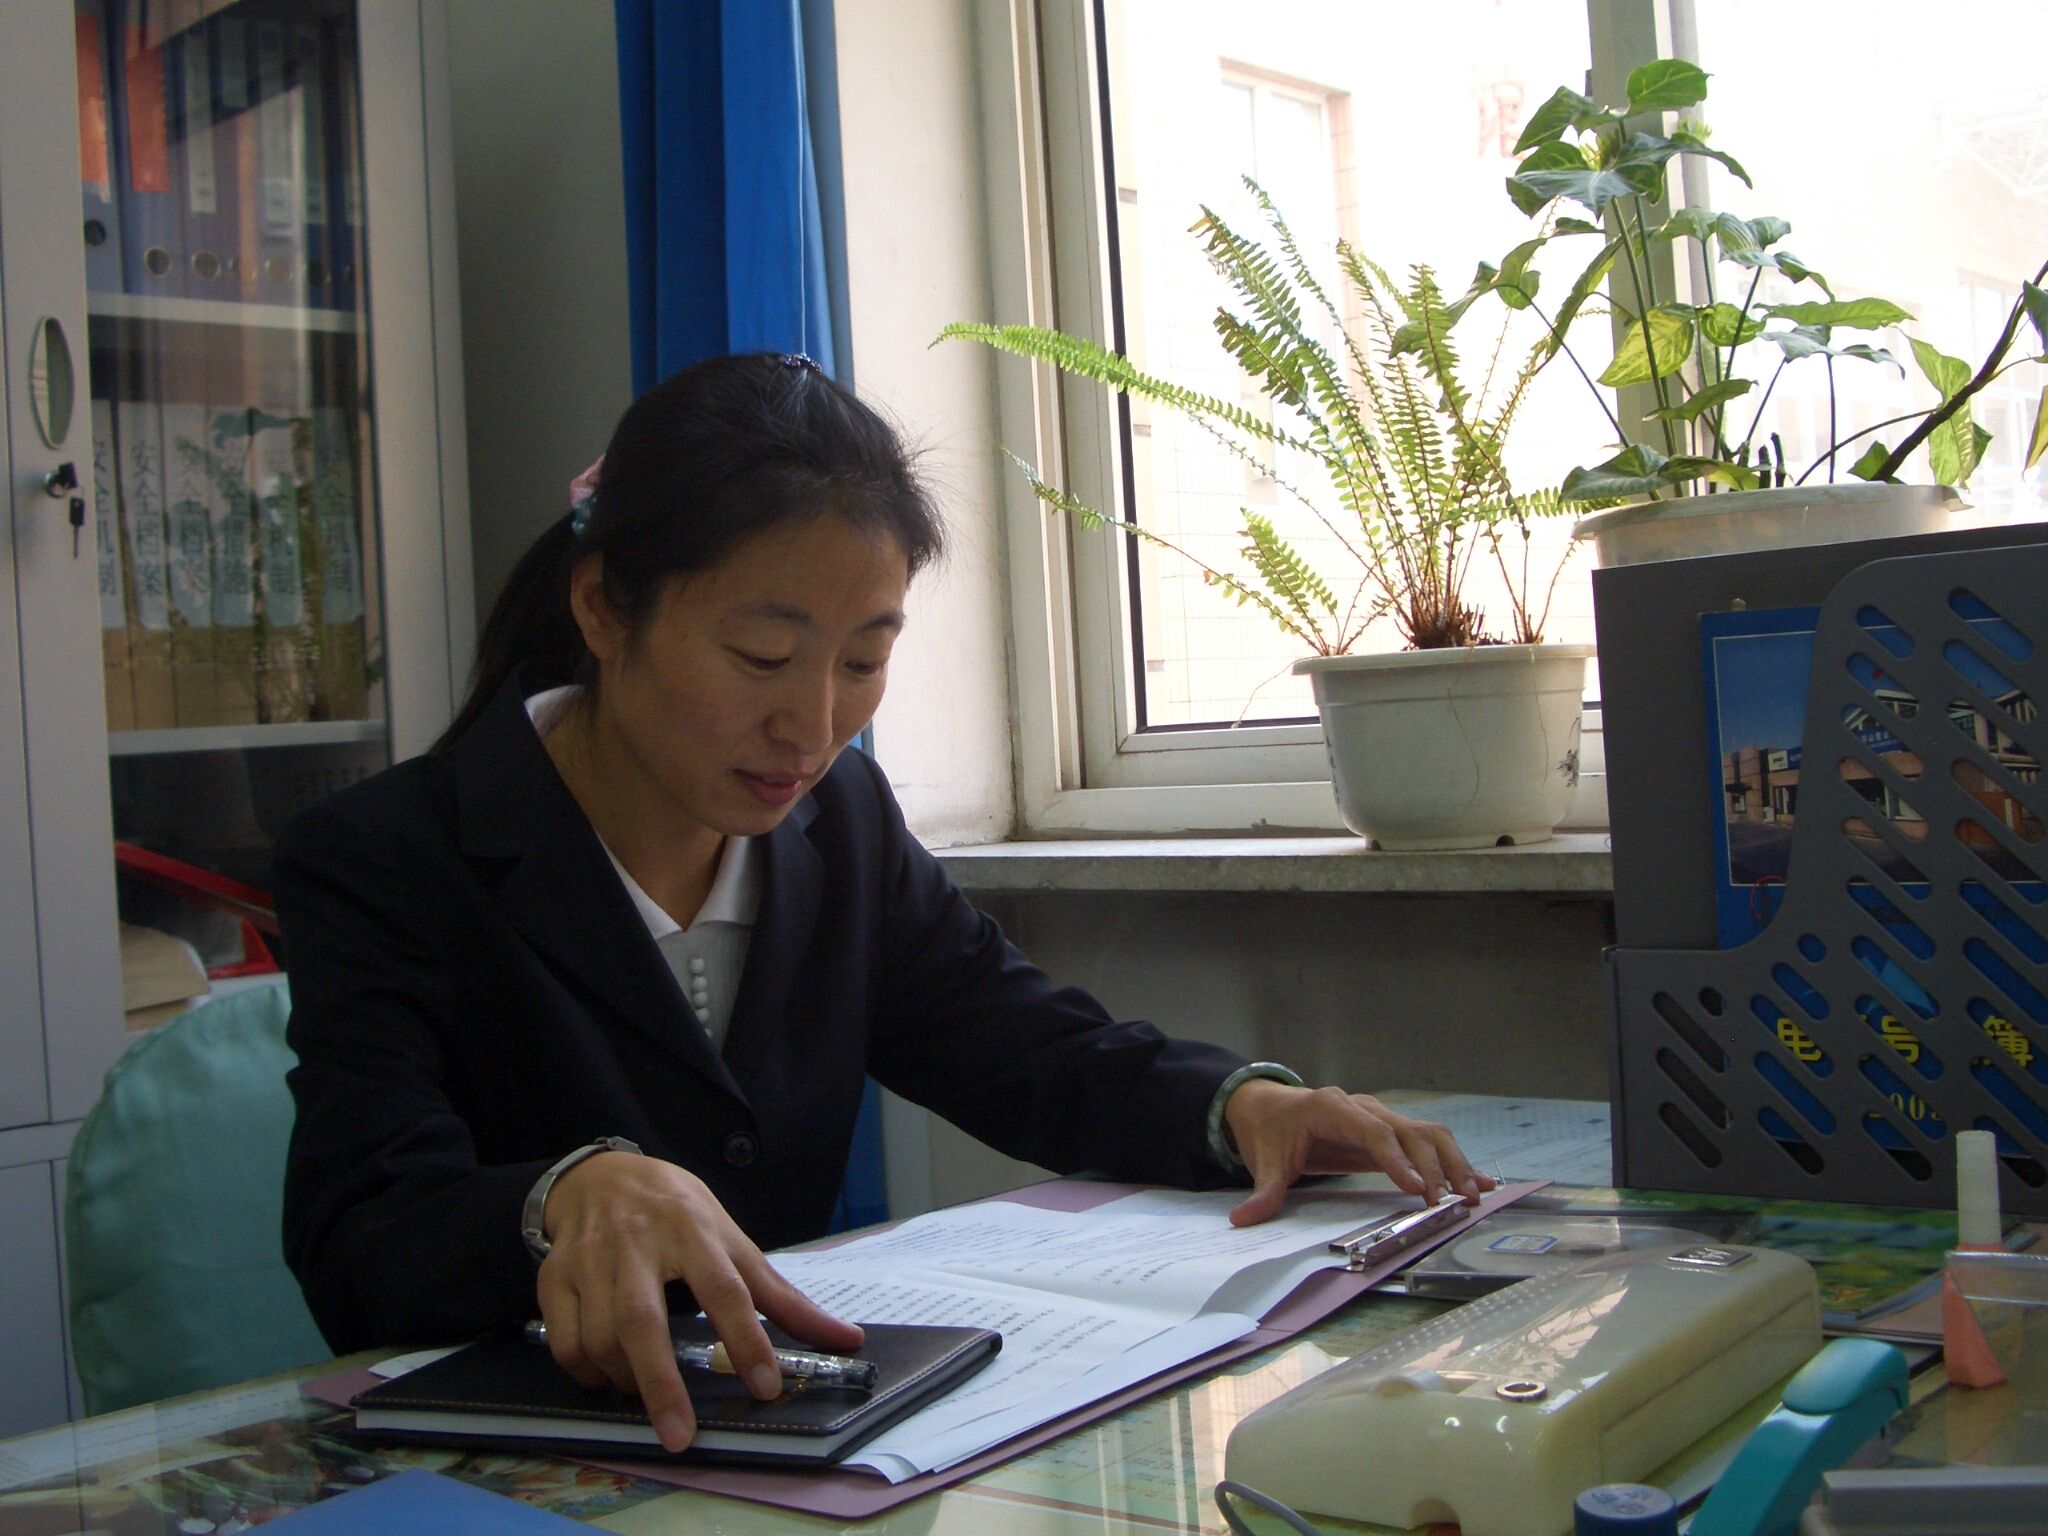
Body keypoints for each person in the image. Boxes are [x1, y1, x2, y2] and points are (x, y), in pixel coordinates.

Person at [275, 352, 1493, 1454]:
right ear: (602, 608)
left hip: (787, 1443)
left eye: (863, 661)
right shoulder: (390, 859)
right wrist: (559, 1199)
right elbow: (360, 1234)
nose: (812, 725)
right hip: (518, 1465)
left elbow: (1019, 1044)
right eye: (762, 657)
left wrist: (1243, 1107)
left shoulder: (837, 825)